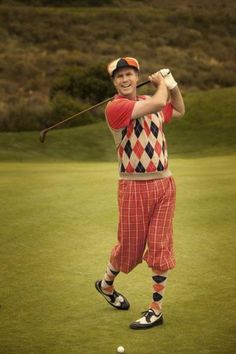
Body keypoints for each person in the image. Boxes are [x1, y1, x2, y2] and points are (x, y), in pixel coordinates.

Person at [95, 57, 185, 330]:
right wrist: (162, 86)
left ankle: (155, 310)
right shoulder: (115, 107)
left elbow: (178, 110)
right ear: (114, 82)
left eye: (129, 74)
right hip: (133, 186)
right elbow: (158, 103)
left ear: (136, 76)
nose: (125, 79)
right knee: (129, 250)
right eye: (119, 76)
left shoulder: (149, 98)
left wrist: (172, 84)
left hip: (164, 184)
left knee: (160, 247)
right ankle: (106, 285)